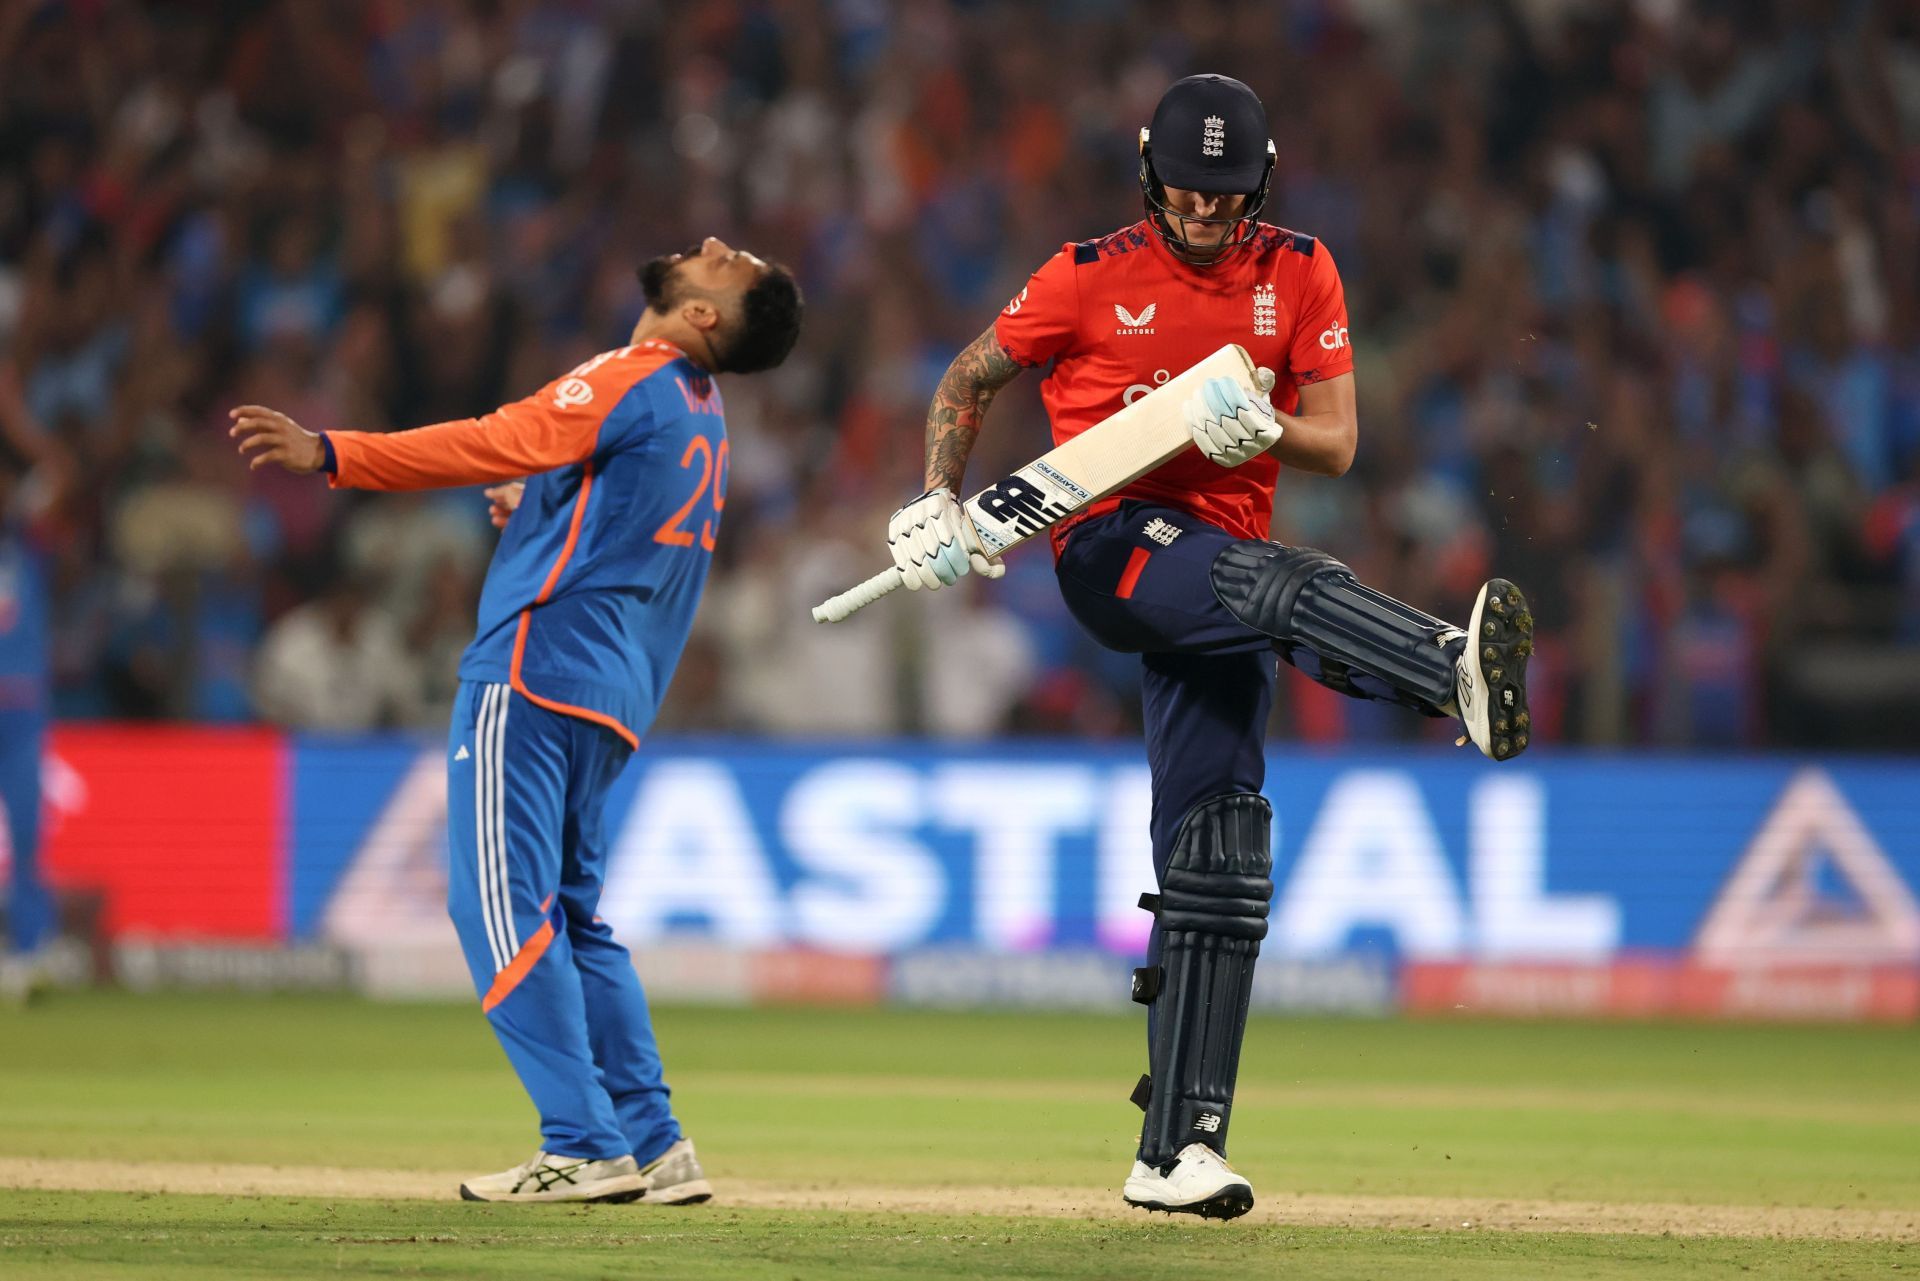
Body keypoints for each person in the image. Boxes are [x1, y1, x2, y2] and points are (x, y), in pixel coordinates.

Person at [883, 75, 1534, 1219]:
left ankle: (1176, 1147)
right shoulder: (1082, 277)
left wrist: (1267, 427)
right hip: (1111, 549)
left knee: (1221, 854)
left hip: (1227, 586)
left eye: (1224, 196)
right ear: (1147, 170)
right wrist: (938, 497)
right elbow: (969, 375)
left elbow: (1334, 444)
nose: (1201, 213)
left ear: (1263, 183)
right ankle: (1447, 671)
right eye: (1184, 192)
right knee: (1272, 581)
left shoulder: (1301, 269)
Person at [233, 237, 803, 1204]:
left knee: (494, 908)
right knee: (575, 921)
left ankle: (583, 1142)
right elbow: (605, 516)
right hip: (612, 694)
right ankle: (655, 1144)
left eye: (728, 261)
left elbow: (497, 435)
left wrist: (334, 451)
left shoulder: (636, 375)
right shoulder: (702, 414)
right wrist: (539, 498)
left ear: (703, 316)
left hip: (536, 670)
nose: (709, 246)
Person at [0, 364, 66, 1003]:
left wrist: (16, 416)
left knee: (26, 835)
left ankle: (30, 952)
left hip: (20, 711)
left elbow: (60, 475)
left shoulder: (28, 544)